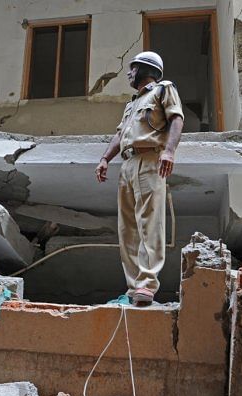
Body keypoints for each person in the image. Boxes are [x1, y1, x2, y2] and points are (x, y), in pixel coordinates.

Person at [95, 51, 184, 306]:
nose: (128, 73)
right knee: (127, 229)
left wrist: (169, 151)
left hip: (150, 159)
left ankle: (147, 283)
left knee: (150, 222)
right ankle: (134, 287)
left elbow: (176, 118)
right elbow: (120, 134)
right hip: (128, 163)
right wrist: (105, 159)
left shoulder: (163, 90)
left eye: (132, 68)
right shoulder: (132, 104)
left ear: (145, 69)